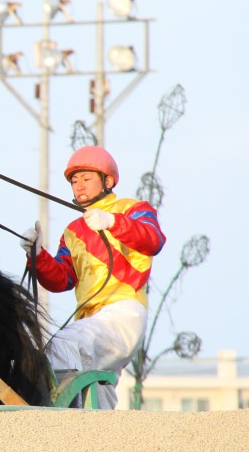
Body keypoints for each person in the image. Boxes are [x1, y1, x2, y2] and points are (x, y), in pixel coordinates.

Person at [21, 146, 166, 409]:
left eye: (86, 179)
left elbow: (153, 240)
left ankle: (56, 423)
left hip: (123, 313)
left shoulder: (132, 209)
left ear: (107, 181)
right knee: (98, 395)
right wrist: (38, 255)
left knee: (62, 346)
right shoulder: (72, 231)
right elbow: (61, 279)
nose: (79, 186)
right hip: (90, 322)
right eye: (74, 181)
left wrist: (113, 222)